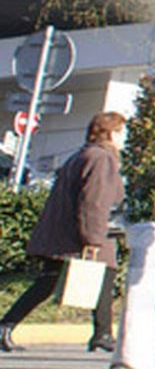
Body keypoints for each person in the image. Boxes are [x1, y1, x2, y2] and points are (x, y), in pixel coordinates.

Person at [0, 111, 128, 353]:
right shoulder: (101, 158)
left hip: (64, 234)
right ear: (111, 133)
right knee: (104, 275)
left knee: (47, 283)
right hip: (80, 235)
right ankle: (102, 334)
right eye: (122, 132)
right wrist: (93, 238)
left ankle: (101, 333)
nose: (125, 137)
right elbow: (95, 201)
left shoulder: (82, 155)